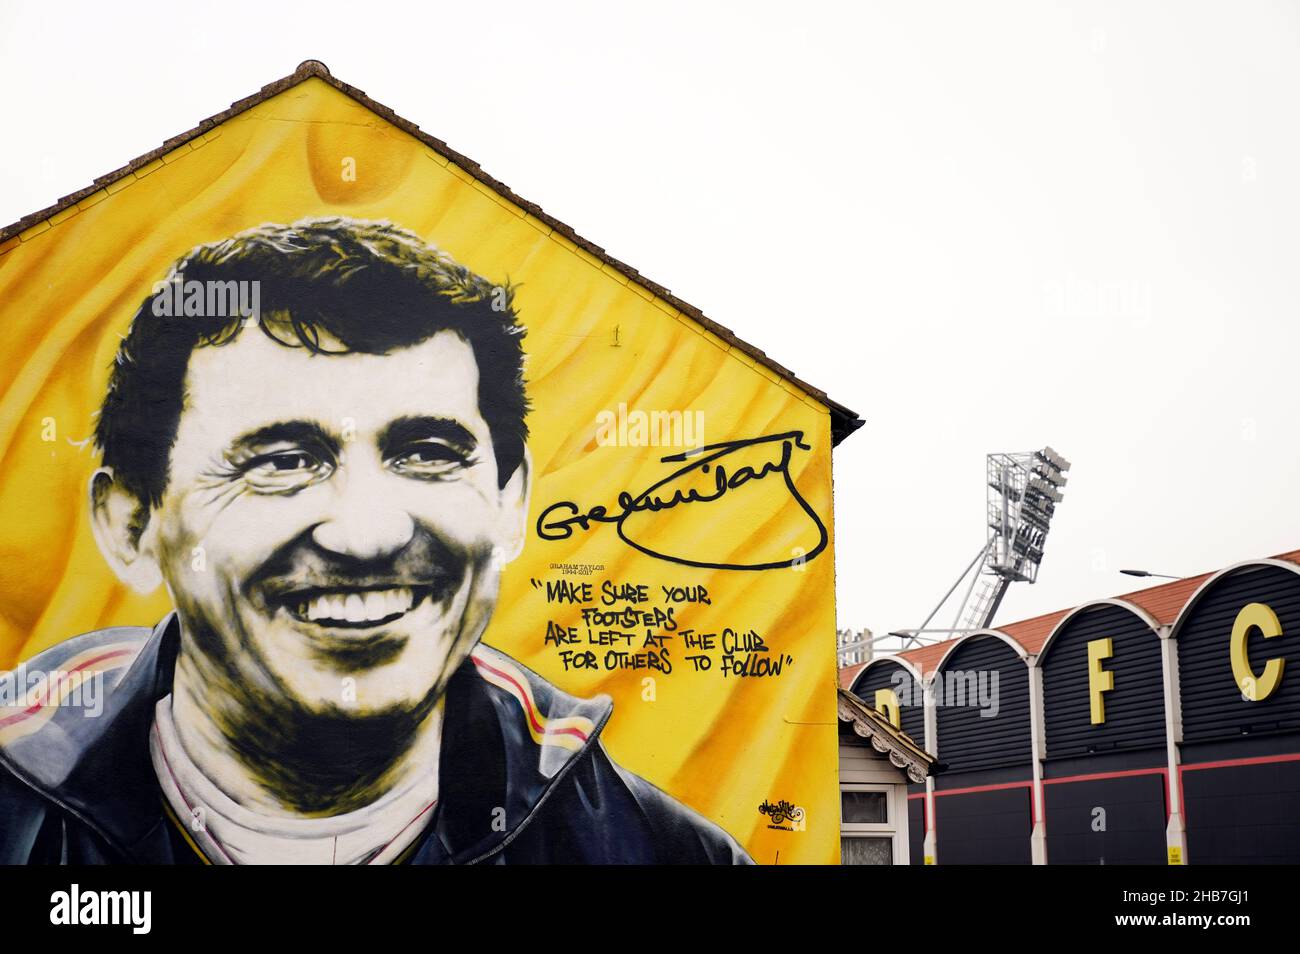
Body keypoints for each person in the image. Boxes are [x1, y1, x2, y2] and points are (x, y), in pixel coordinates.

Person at [0, 218, 752, 865]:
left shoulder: (656, 851)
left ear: (509, 501)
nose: (367, 534)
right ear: (132, 524)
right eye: (282, 461)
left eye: (427, 452)